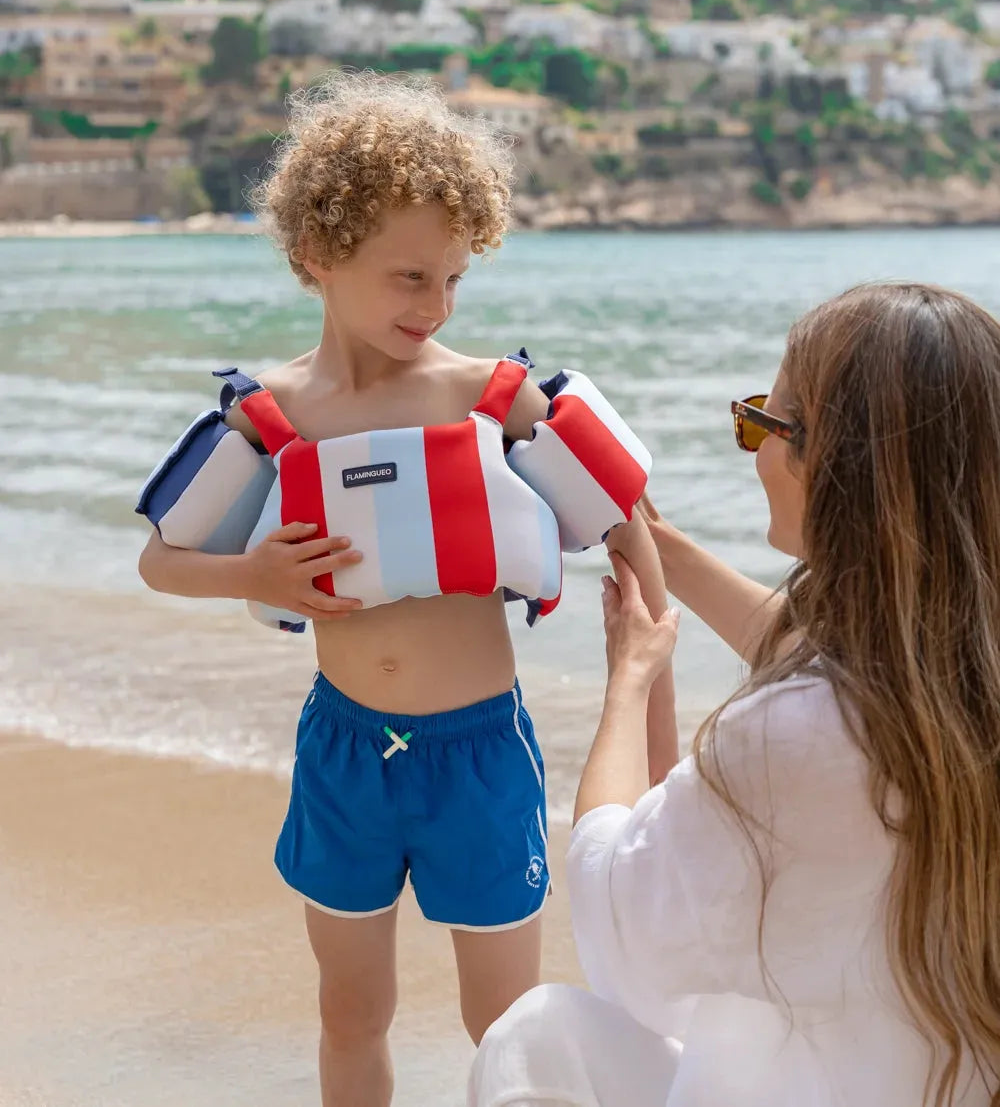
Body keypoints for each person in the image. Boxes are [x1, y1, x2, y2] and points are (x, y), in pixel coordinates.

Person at [136, 71, 673, 1107]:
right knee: (350, 1012)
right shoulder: (268, 415)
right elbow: (161, 559)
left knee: (506, 1026)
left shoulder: (492, 399)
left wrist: (652, 713)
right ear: (318, 254)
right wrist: (252, 572)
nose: (435, 307)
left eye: (454, 279)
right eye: (410, 276)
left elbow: (627, 529)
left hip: (481, 753)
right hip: (344, 752)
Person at [470, 282, 1000, 1107]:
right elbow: (847, 657)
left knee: (536, 1036)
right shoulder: (953, 672)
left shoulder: (789, 737)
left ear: (831, 460)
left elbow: (621, 936)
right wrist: (657, 545)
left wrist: (629, 681)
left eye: (761, 424)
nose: (751, 450)